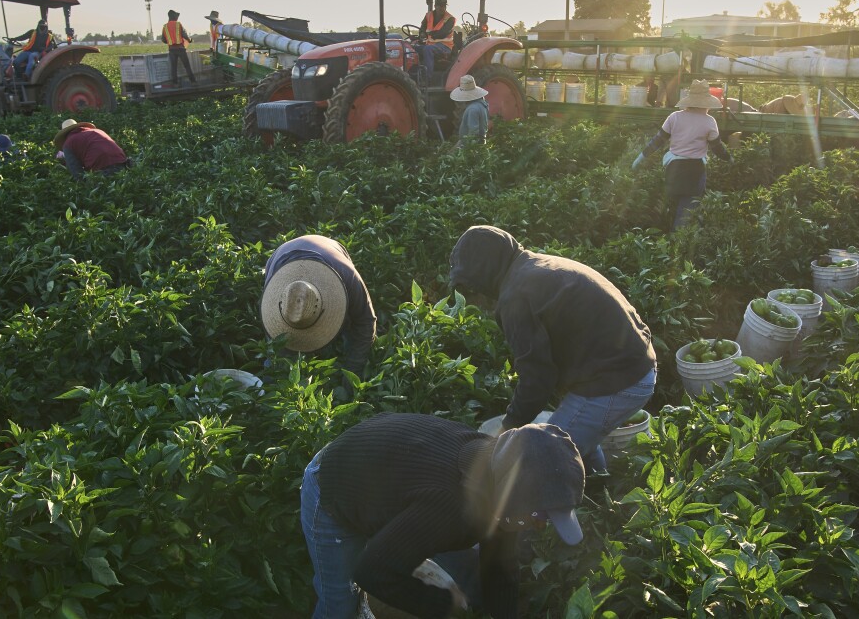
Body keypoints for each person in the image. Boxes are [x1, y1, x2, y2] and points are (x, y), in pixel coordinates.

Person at [301, 412, 585, 618]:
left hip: (386, 478)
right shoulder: (448, 507)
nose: (539, 525)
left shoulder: (501, 466)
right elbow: (372, 573)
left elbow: (500, 565)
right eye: (540, 514)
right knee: (339, 602)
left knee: (470, 567)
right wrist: (443, 607)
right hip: (334, 486)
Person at [448, 225, 657, 475]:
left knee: (545, 459)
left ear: (484, 269)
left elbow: (537, 377)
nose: (475, 292)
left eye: (472, 283)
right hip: (637, 366)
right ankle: (599, 493)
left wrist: (509, 427)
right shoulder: (538, 265)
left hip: (617, 383)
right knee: (578, 437)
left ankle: (565, 511)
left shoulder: (515, 297)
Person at [261, 235, 376, 384]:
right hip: (280, 255)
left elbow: (365, 321)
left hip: (331, 253)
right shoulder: (274, 283)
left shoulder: (347, 275)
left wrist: (351, 375)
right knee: (278, 358)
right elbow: (275, 344)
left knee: (349, 330)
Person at [631, 80, 733, 230]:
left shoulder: (675, 117)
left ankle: (659, 238)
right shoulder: (709, 122)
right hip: (695, 172)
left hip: (673, 169)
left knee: (669, 206)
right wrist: (730, 159)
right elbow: (717, 148)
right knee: (686, 211)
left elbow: (658, 140)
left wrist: (640, 158)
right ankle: (677, 245)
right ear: (707, 104)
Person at [53, 119, 131, 180]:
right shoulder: (97, 131)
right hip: (123, 163)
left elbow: (75, 170)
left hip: (102, 168)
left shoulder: (68, 143)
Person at [416, 0, 455, 74]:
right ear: (435, 6)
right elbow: (422, 28)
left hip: (445, 47)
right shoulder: (428, 16)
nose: (442, 8)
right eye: (440, 5)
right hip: (430, 44)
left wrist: (429, 34)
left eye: (444, 6)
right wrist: (422, 34)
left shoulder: (450, 19)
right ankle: (414, 74)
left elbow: (442, 33)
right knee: (411, 48)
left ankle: (427, 78)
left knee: (428, 49)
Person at [451, 74, 489, 148]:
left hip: (470, 145)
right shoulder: (483, 105)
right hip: (481, 143)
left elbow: (474, 132)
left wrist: (468, 148)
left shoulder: (472, 109)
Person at [161, 10, 197, 86]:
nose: (177, 17)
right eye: (176, 16)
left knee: (174, 68)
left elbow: (163, 40)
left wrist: (170, 41)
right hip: (180, 49)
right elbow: (184, 35)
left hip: (171, 50)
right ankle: (193, 82)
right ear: (174, 16)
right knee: (187, 66)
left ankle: (175, 84)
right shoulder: (178, 24)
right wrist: (190, 40)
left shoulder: (165, 27)